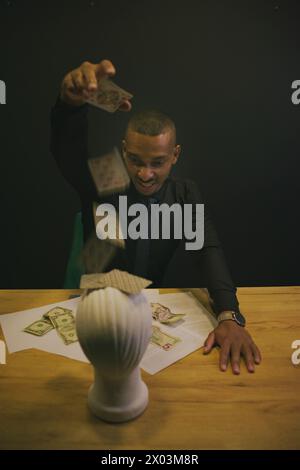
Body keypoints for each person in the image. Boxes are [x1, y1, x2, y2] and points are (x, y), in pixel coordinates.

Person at [50, 59, 262, 375]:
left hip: (146, 317)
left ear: (175, 155)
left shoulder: (185, 195)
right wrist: (70, 107)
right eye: (135, 160)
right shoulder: (108, 178)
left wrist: (228, 315)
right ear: (123, 150)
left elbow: (207, 251)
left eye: (158, 162)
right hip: (94, 311)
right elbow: (68, 156)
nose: (144, 174)